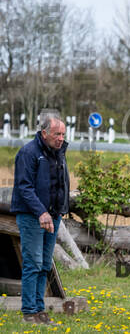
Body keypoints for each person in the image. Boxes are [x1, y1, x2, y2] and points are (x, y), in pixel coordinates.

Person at [11, 112, 69, 325]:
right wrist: (41, 212)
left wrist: (61, 210)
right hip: (32, 217)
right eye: (57, 134)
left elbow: (62, 184)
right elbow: (24, 187)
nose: (61, 138)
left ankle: (40, 311)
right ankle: (29, 312)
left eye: (63, 133)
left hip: (52, 217)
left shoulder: (59, 152)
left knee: (44, 264)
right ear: (44, 133)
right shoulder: (28, 153)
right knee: (33, 263)